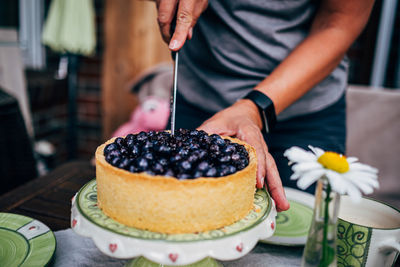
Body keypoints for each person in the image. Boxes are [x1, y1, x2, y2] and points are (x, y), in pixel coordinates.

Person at [154, 0, 375, 212]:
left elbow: (340, 23)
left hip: (306, 115)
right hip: (200, 100)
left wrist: (255, 108)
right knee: (177, 219)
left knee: (302, 235)